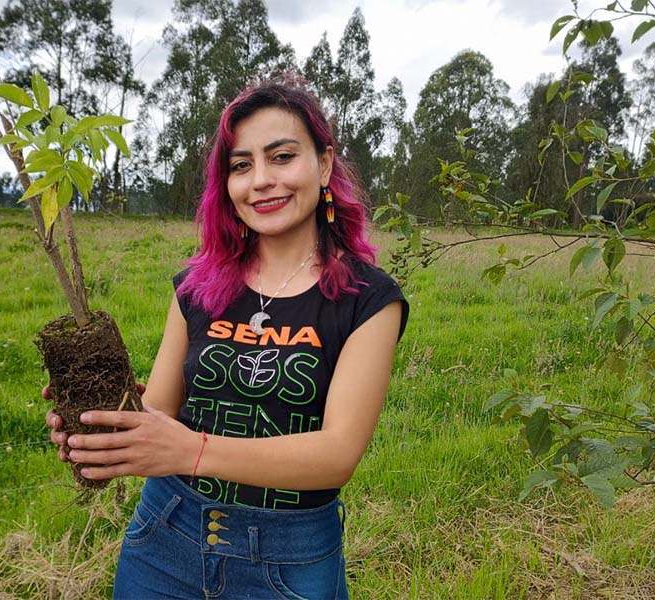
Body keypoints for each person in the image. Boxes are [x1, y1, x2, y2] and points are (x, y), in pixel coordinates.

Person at [45, 79, 409, 599]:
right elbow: (160, 409)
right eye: (241, 165)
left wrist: (190, 451)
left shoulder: (367, 299)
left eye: (282, 157)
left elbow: (337, 453)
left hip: (288, 559)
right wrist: (107, 428)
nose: (261, 181)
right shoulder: (197, 287)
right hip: (164, 539)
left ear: (325, 165)